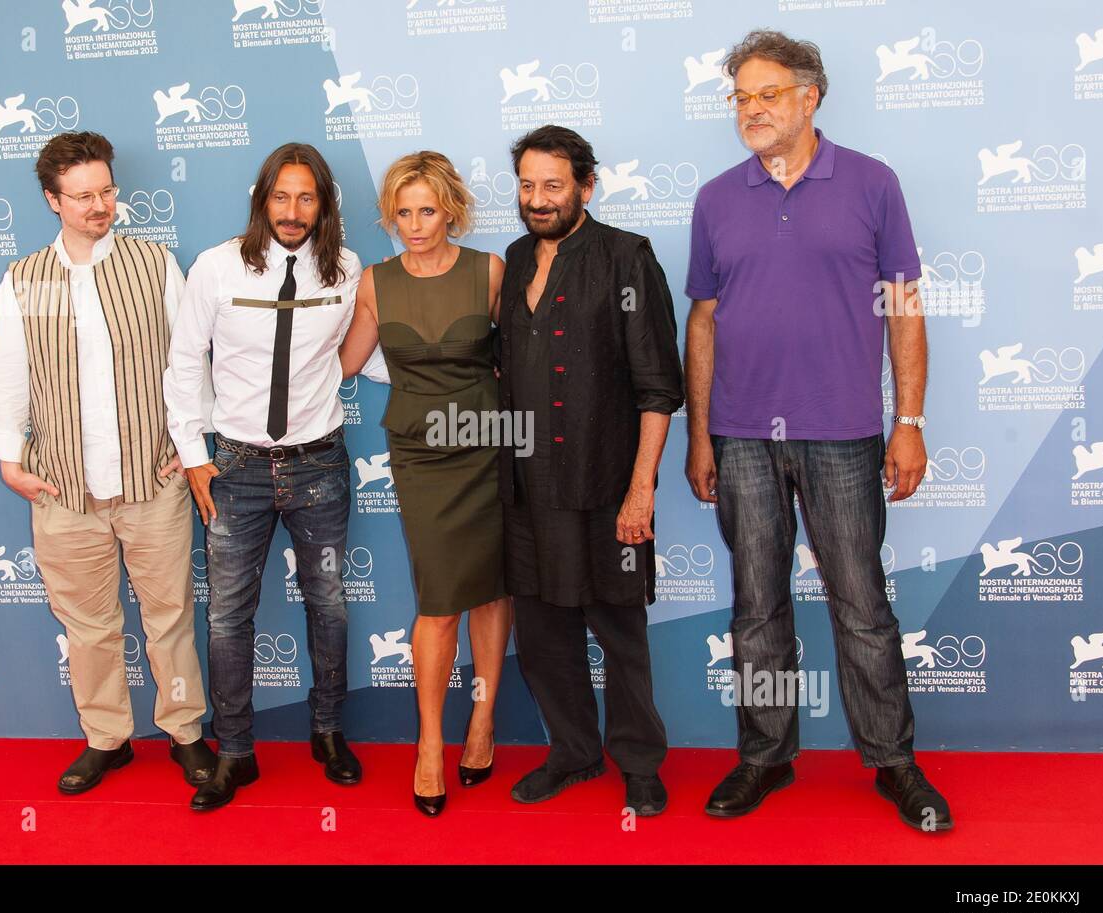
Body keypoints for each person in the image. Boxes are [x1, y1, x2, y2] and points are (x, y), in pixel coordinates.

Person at [684, 30, 951, 831]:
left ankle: (893, 762)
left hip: (843, 434)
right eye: (740, 97)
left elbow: (904, 309)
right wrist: (701, 435)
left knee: (861, 605)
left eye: (768, 94)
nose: (751, 110)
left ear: (811, 96)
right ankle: (766, 755)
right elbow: (702, 321)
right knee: (756, 606)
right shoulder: (717, 198)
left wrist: (909, 421)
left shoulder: (873, 184)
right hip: (739, 438)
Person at [0, 131, 214, 794]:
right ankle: (107, 736)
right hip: (62, 487)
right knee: (88, 624)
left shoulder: (152, 263)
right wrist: (8, 457)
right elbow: (9, 377)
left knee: (169, 616)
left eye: (106, 190)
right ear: (53, 200)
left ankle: (186, 732)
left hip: (152, 481)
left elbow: (186, 365)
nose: (100, 205)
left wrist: (188, 446)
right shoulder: (25, 279)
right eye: (82, 196)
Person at [163, 143, 363, 811]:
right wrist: (193, 452)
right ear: (262, 199)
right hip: (237, 467)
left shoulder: (347, 270)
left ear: (324, 204)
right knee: (226, 616)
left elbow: (359, 348)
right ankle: (236, 751)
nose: (293, 211)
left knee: (328, 602)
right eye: (281, 196)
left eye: (307, 197)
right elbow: (185, 359)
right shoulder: (217, 268)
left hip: (320, 465)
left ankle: (328, 730)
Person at [498, 125, 684, 817]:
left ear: (585, 185)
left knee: (620, 631)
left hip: (606, 483)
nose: (538, 199)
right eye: (526, 185)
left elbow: (659, 386)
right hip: (525, 488)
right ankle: (574, 754)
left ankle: (639, 761)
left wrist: (641, 489)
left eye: (553, 185)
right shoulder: (515, 259)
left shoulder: (627, 258)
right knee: (543, 637)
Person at [339, 151, 511, 817]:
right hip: (421, 457)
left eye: (427, 211)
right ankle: (430, 743)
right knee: (439, 601)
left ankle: (483, 723)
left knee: (494, 592)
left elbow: (524, 355)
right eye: (403, 212)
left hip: (490, 450)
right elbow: (345, 364)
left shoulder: (488, 271)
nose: (414, 224)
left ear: (452, 211)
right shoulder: (377, 283)